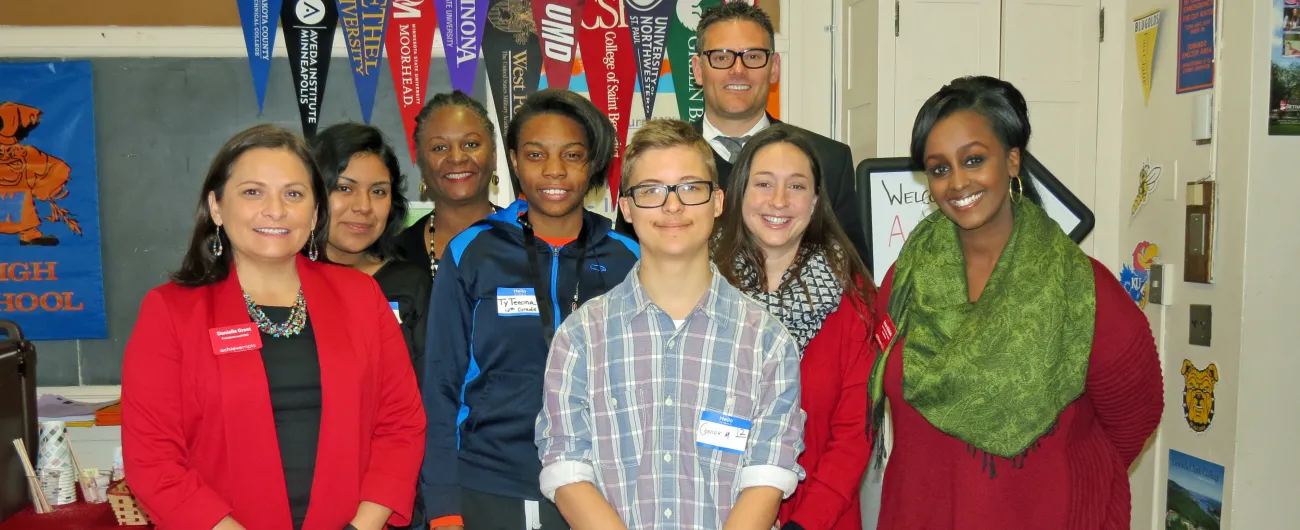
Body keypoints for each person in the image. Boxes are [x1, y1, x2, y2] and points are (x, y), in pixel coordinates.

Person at [867, 76, 1162, 529]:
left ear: (1012, 160)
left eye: (974, 160)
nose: (957, 182)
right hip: (918, 513)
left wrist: (1052, 476)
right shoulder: (904, 280)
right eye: (939, 168)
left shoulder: (1080, 288)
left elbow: (1133, 415)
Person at [121, 124, 426, 530]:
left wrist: (361, 526)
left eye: (294, 194)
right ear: (215, 207)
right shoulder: (171, 312)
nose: (276, 210)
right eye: (252, 192)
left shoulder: (360, 297)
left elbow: (400, 425)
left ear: (315, 212)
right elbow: (153, 460)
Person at [536, 118, 806, 530]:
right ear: (626, 208)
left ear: (718, 202)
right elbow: (566, 466)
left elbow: (766, 478)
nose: (672, 206)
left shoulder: (767, 341)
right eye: (651, 191)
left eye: (690, 188)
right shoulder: (580, 337)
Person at [422, 88, 639, 530]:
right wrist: (443, 505)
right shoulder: (472, 251)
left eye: (572, 155)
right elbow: (440, 388)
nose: (554, 170)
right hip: (488, 481)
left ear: (593, 164)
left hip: (603, 488)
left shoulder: (629, 258)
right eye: (536, 154)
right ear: (515, 163)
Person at [613, 2, 870, 270]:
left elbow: (855, 276)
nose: (738, 69)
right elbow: (628, 263)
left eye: (753, 56)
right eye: (722, 57)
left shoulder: (827, 159)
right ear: (698, 69)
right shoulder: (654, 161)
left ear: (774, 67)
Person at [714, 124, 876, 530]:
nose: (780, 201)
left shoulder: (852, 300)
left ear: (817, 200)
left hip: (818, 520)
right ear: (740, 194)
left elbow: (854, 439)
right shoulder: (704, 292)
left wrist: (803, 525)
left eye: (797, 187)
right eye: (764, 183)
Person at [312, 122, 431, 530]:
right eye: (344, 188)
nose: (363, 206)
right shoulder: (280, 285)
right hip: (303, 490)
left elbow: (422, 400)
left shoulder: (410, 282)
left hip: (393, 497)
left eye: (378, 191)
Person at [394, 91, 501, 280]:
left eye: (470, 144)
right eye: (440, 148)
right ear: (422, 163)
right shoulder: (395, 256)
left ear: (493, 156)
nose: (457, 158)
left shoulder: (529, 241)